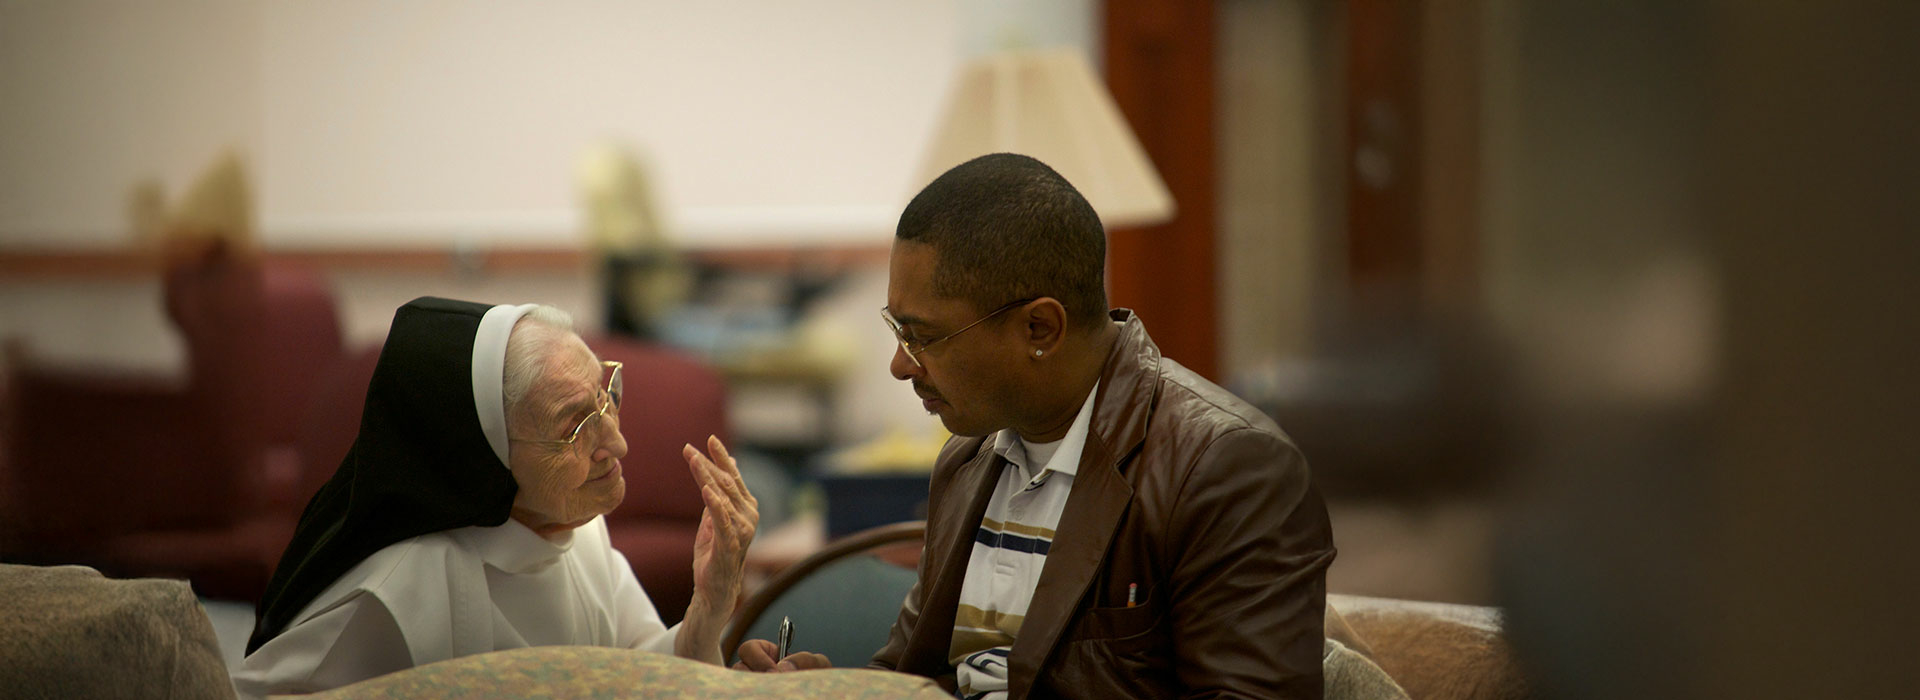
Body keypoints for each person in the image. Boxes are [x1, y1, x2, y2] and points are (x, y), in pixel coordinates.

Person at [735, 153, 1336, 697]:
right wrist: (837, 691)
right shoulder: (970, 457)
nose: (899, 365)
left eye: (924, 337)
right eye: (898, 331)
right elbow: (919, 674)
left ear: (1040, 329)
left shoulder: (1227, 468)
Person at [233, 297, 757, 697]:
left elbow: (636, 670)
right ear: (487, 457)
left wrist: (706, 615)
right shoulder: (402, 591)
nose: (618, 443)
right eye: (575, 426)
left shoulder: (577, 533)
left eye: (607, 398)